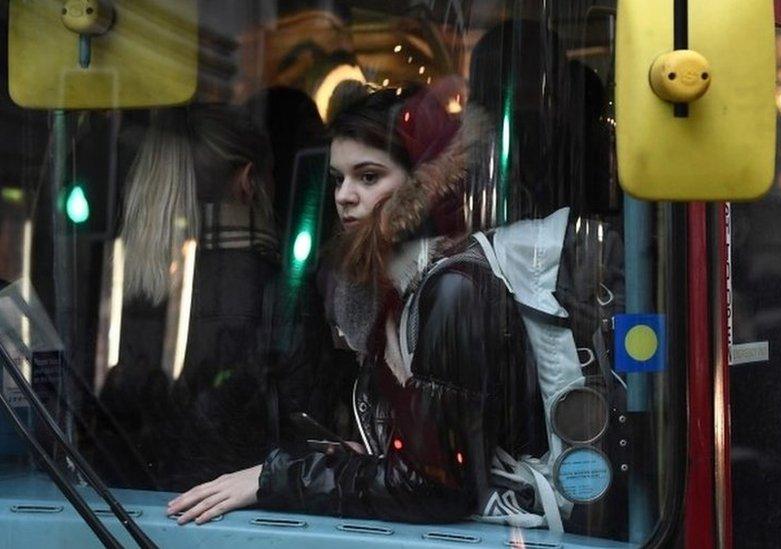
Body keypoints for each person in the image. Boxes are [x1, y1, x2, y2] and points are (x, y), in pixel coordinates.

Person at [166, 85, 548, 525]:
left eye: (368, 177)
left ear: (426, 184)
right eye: (338, 179)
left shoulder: (455, 290)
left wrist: (274, 479)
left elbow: (434, 487)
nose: (344, 195)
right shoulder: (386, 291)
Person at [94, 104, 281, 491]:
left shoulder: (114, 277)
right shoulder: (274, 285)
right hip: (231, 513)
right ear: (248, 181)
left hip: (114, 506)